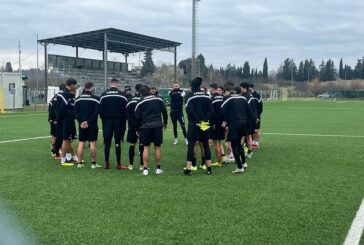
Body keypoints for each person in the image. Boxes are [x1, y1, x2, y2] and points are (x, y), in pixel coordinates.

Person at [135, 86, 168, 176]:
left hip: (145, 126)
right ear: (149, 91)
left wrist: (137, 129)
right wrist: (165, 123)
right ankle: (158, 169)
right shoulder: (158, 99)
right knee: (157, 147)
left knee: (146, 147)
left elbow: (137, 117)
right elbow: (164, 112)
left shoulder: (140, 102)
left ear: (140, 93)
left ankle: (145, 170)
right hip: (157, 125)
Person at [184, 77, 213, 176]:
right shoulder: (207, 96)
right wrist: (204, 120)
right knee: (205, 145)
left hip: (194, 124)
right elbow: (211, 111)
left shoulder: (189, 96)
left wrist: (198, 120)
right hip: (205, 124)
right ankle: (209, 168)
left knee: (191, 146)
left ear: (191, 86)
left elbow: (190, 110)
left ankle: (188, 169)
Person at [221, 84, 252, 174]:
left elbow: (222, 111)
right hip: (244, 123)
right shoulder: (243, 98)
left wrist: (225, 121)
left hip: (234, 123)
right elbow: (249, 111)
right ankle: (244, 163)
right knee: (239, 144)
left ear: (232, 91)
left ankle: (239, 167)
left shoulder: (228, 99)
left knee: (234, 144)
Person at [99, 78, 128, 170]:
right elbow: (125, 111)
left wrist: (104, 121)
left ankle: (106, 162)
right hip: (118, 121)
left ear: (110, 84)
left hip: (107, 121)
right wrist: (123, 122)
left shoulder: (103, 95)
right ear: (117, 84)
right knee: (117, 142)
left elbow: (101, 111)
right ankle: (118, 164)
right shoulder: (122, 95)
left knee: (107, 142)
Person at [74, 82, 101, 169]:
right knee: (92, 143)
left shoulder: (77, 99)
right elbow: (96, 112)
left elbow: (76, 112)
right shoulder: (96, 98)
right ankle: (93, 163)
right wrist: (88, 122)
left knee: (81, 143)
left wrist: (81, 122)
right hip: (92, 124)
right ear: (92, 88)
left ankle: (79, 163)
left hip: (81, 125)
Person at [55, 78, 78, 166]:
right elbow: (62, 108)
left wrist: (57, 119)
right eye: (75, 85)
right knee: (66, 140)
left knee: (67, 140)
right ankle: (63, 160)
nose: (75, 87)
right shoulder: (66, 94)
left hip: (62, 120)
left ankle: (73, 157)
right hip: (66, 120)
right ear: (71, 85)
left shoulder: (62, 92)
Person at [126, 84, 144, 171]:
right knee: (142, 146)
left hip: (132, 126)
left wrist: (132, 121)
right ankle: (141, 165)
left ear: (135, 89)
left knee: (132, 146)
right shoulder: (143, 100)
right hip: (142, 126)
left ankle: (130, 165)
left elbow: (127, 114)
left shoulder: (130, 100)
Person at [241, 82, 258, 158]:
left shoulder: (246, 97)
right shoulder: (250, 95)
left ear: (244, 88)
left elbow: (245, 109)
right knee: (248, 136)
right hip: (251, 119)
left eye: (241, 88)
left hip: (247, 119)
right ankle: (249, 152)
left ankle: (239, 151)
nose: (240, 89)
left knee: (243, 136)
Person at [209, 83, 225, 166]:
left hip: (215, 123)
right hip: (222, 122)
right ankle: (222, 159)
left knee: (216, 143)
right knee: (219, 141)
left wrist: (212, 123)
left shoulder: (212, 98)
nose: (209, 90)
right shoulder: (223, 97)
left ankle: (219, 162)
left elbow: (212, 112)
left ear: (212, 88)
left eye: (210, 88)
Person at [249, 83, 263, 148]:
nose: (248, 89)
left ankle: (256, 143)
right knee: (251, 130)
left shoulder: (257, 95)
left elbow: (260, 106)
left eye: (249, 87)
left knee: (257, 130)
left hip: (256, 115)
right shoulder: (248, 95)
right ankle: (252, 143)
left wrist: (258, 115)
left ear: (252, 87)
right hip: (250, 116)